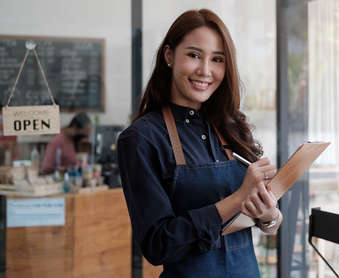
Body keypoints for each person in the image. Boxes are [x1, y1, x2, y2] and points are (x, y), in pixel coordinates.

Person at [117, 9, 282, 278]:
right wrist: (238, 198)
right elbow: (158, 245)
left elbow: (272, 222)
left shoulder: (231, 127)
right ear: (169, 56)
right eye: (194, 55)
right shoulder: (141, 139)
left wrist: (268, 215)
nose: (205, 71)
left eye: (217, 59)